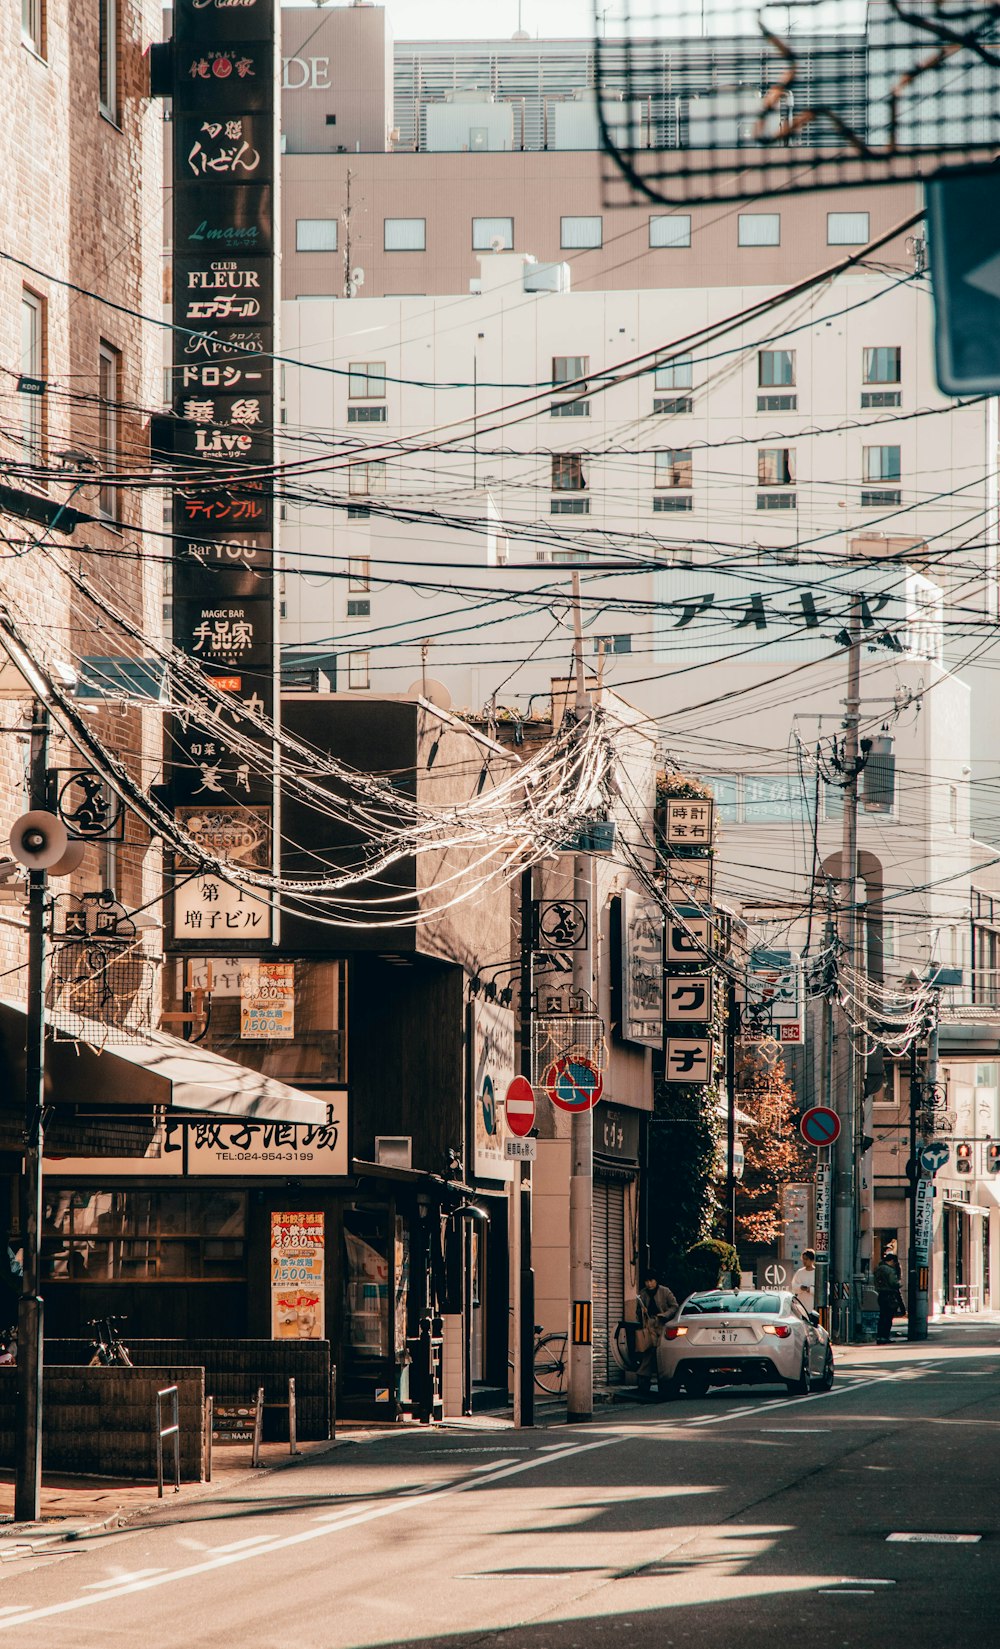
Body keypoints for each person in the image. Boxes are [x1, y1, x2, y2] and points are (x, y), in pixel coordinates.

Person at [635, 1270, 678, 1399]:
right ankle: (644, 1386)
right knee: (647, 1353)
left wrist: (664, 1315)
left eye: (651, 1280)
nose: (649, 1284)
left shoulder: (665, 1291)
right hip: (648, 1326)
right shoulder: (642, 1294)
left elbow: (674, 1306)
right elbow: (637, 1313)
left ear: (656, 1281)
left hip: (663, 1325)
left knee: (661, 1355)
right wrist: (642, 1312)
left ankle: (663, 1386)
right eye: (647, 1281)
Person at [874, 1246, 900, 1343]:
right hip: (889, 1294)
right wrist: (899, 1284)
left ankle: (880, 1337)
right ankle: (885, 1337)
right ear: (892, 1261)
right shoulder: (890, 1270)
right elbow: (894, 1283)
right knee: (888, 1317)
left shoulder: (878, 1268)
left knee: (882, 1317)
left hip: (881, 1294)